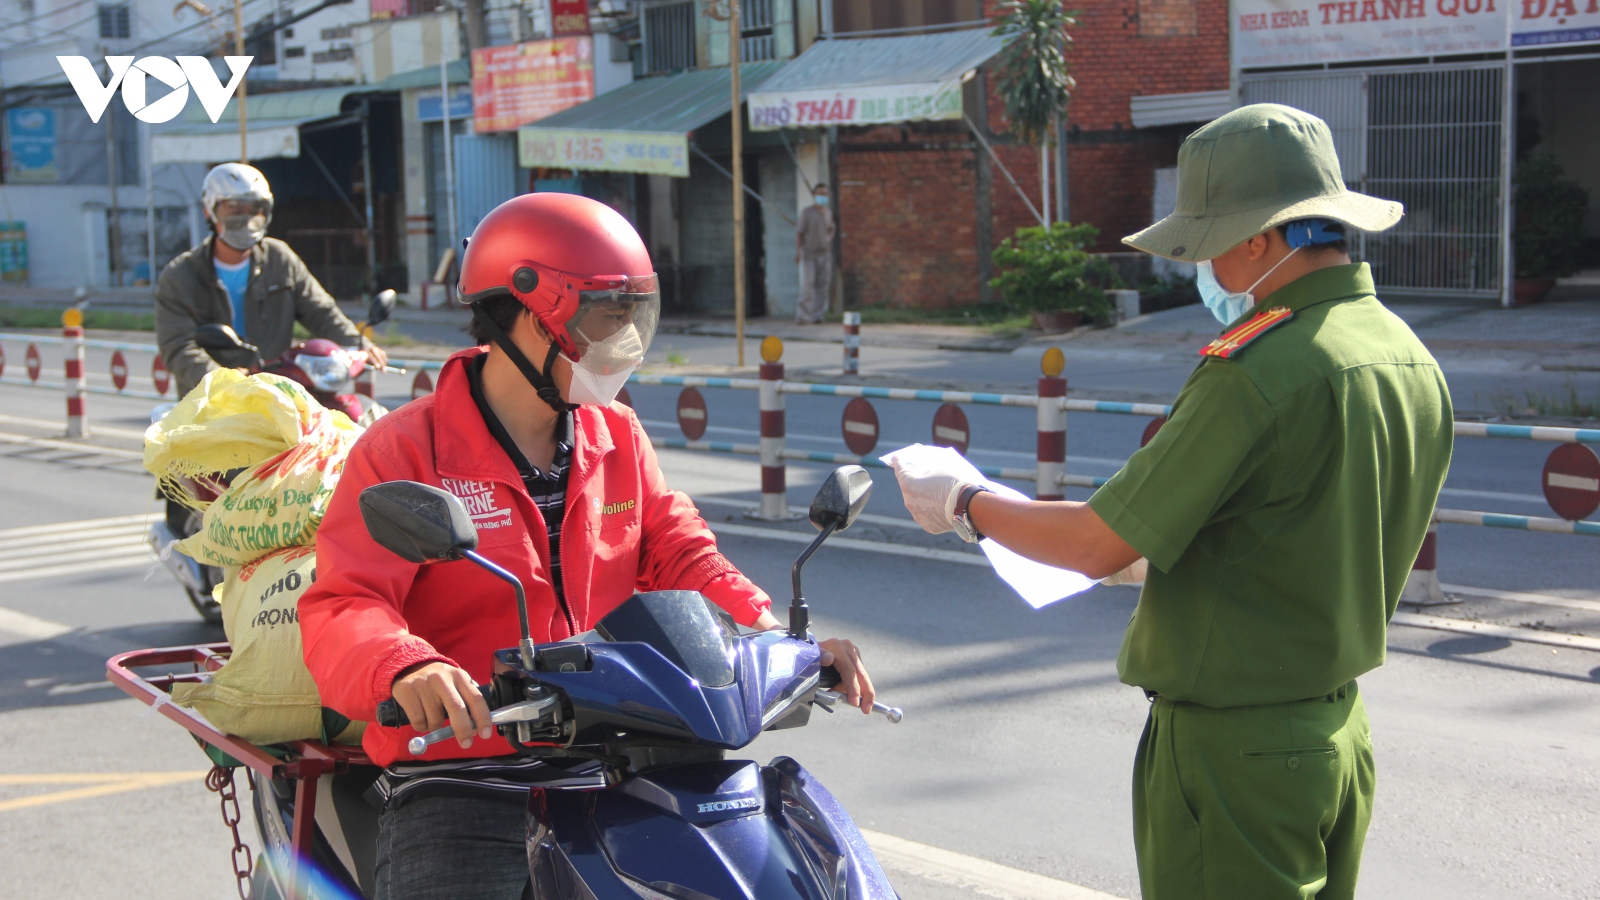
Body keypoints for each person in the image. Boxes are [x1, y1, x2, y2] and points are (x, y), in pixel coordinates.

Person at [885, 104, 1453, 899]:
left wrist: (967, 502)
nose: (1205, 269)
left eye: (1209, 244)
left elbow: (1094, 544)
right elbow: (1302, 526)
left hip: (1236, 750)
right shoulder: (1402, 353)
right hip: (1335, 732)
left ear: (1258, 238)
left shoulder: (1258, 369)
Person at [298, 192, 875, 900]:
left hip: (621, 754)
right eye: (609, 314)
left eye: (635, 314)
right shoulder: (405, 450)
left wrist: (774, 637)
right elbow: (346, 602)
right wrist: (407, 669)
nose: (626, 338)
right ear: (532, 313)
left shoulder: (616, 434)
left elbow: (678, 554)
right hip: (466, 772)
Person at [154, 162, 387, 400]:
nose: (247, 219)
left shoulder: (280, 259)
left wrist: (358, 345)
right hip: (209, 403)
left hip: (276, 396)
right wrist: (227, 382)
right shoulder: (181, 275)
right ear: (209, 211)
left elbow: (321, 311)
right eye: (234, 209)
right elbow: (178, 347)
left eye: (256, 209)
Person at [794, 182, 835, 324]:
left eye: (824, 193)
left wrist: (828, 239)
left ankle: (818, 316)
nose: (822, 196)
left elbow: (831, 228)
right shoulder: (807, 213)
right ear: (814, 195)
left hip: (824, 254)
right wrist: (798, 252)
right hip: (809, 254)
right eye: (819, 193)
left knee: (823, 286)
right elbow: (799, 233)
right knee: (807, 287)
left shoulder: (828, 213)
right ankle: (803, 316)